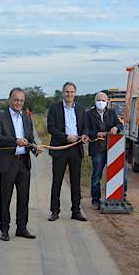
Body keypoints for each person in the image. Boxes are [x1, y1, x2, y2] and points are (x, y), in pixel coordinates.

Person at [0, 88, 39, 241]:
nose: (18, 103)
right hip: (7, 163)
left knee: (23, 197)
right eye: (16, 100)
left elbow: (30, 137)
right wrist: (15, 141)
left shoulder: (26, 117)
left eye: (21, 100)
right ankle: (4, 229)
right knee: (5, 197)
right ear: (10, 100)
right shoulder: (0, 116)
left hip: (23, 163)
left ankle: (21, 227)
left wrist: (35, 148)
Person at [47, 81, 89, 222]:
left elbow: (85, 127)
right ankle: (54, 211)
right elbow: (51, 128)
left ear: (75, 93)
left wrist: (84, 135)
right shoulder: (54, 108)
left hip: (76, 149)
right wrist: (66, 137)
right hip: (60, 149)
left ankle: (76, 211)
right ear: (63, 93)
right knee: (57, 181)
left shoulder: (81, 109)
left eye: (71, 92)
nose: (69, 94)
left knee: (75, 182)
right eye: (67, 92)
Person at [85, 91, 124, 209]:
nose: (101, 102)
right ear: (95, 101)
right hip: (97, 149)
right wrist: (96, 134)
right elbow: (85, 130)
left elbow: (120, 125)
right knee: (97, 175)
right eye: (99, 100)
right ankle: (95, 200)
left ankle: (118, 197)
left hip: (112, 148)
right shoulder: (89, 114)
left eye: (103, 100)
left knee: (118, 173)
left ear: (107, 102)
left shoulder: (112, 113)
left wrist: (116, 128)